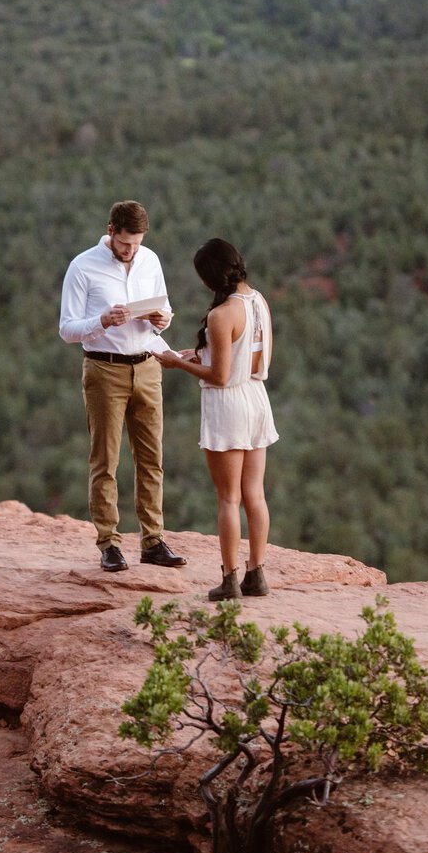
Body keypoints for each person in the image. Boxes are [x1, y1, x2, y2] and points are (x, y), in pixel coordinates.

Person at [59, 200, 187, 573]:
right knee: (106, 460)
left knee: (152, 459)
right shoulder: (82, 266)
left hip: (148, 366)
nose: (131, 251)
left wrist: (163, 319)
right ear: (111, 230)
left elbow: (163, 313)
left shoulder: (150, 260)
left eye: (137, 243)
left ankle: (153, 540)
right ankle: (109, 543)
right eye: (126, 243)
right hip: (104, 370)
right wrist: (101, 320)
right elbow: (67, 329)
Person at [155, 238, 278, 600]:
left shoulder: (221, 314)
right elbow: (250, 357)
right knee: (255, 494)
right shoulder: (258, 301)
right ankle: (257, 573)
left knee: (228, 498)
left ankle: (229, 580)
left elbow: (221, 377)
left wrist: (177, 362)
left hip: (228, 406)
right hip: (257, 398)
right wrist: (202, 353)